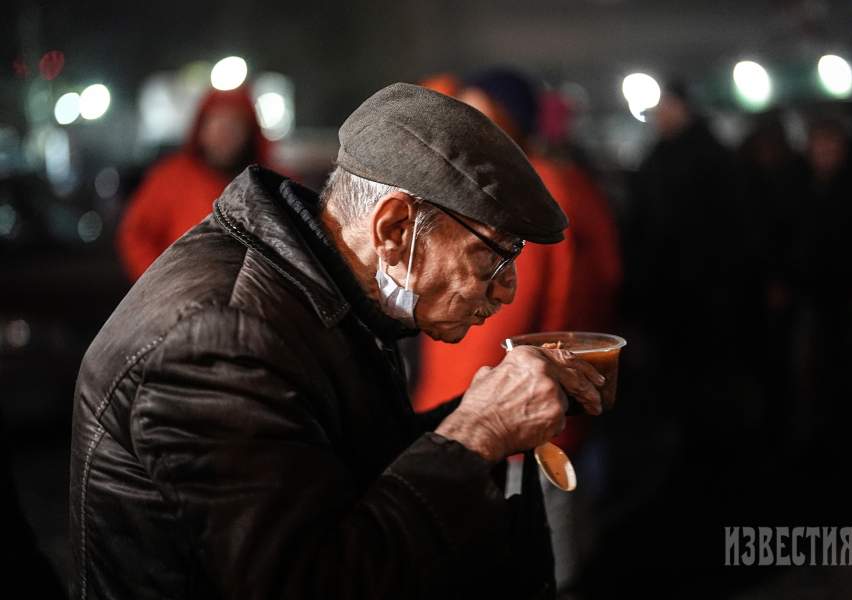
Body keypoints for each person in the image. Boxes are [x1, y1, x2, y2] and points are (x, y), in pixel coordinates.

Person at [70, 83, 609, 599]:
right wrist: (478, 432)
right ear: (395, 228)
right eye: (493, 257)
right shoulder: (220, 338)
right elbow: (307, 582)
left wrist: (490, 414)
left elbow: (339, 460)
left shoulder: (320, 288)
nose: (507, 290)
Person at [414, 68, 622, 596]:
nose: (466, 126)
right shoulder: (521, 184)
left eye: (480, 114)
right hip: (482, 408)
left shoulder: (530, 191)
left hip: (510, 414)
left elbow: (512, 318)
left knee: (533, 564)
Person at [116, 86, 271, 281]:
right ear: (201, 128)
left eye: (234, 124)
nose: (225, 134)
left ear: (249, 132)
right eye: (216, 123)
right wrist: (161, 282)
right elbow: (135, 234)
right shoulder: (171, 177)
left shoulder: (269, 183)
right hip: (183, 299)